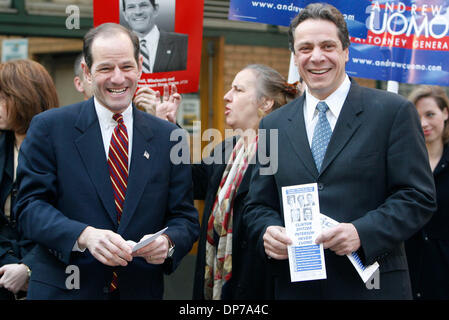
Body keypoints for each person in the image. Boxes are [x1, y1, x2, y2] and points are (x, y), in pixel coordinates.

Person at [243, 3, 436, 300]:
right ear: (295, 57)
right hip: (298, 290)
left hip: (373, 289)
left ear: (346, 52)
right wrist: (267, 232)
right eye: (305, 48)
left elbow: (418, 197)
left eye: (327, 46)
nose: (316, 57)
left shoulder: (393, 112)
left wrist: (362, 232)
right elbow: (257, 205)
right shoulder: (273, 124)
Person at [14, 22, 199, 300]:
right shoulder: (50, 128)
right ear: (87, 73)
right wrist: (84, 235)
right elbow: (28, 208)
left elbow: (184, 218)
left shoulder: (170, 137)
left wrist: (168, 242)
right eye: (105, 69)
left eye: (126, 67)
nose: (117, 78)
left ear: (139, 66)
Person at [192, 64, 299, 300]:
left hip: (258, 285)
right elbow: (191, 182)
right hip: (216, 285)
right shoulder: (228, 148)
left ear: (265, 103)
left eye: (238, 90)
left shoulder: (286, 152)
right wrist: (166, 123)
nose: (226, 96)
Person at [0, 59, 59, 299]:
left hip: (51, 279)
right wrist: (7, 262)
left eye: (3, 99)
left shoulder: (63, 150)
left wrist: (28, 268)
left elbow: (71, 219)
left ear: (24, 98)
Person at [405, 85, 449, 299]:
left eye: (430, 114)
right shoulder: (401, 162)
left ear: (446, 113)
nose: (423, 123)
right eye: (417, 115)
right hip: (408, 271)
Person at [122, 0, 188, 73]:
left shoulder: (183, 43)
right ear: (125, 15)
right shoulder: (117, 46)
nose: (138, 12)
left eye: (143, 5)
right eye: (131, 7)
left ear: (155, 9)